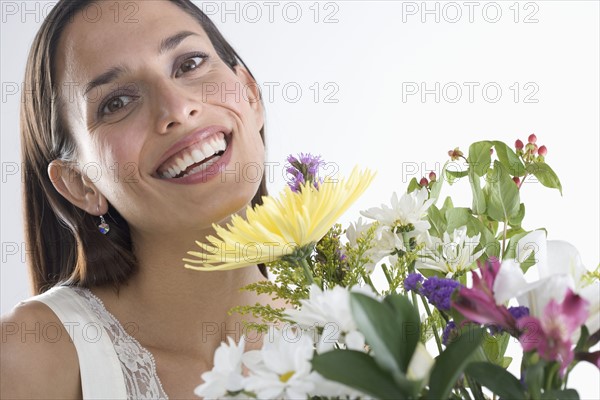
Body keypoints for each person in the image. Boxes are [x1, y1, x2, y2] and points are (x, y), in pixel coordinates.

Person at [0, 0, 282, 398]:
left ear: (250, 96)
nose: (178, 108)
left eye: (190, 63)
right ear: (80, 183)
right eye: (117, 102)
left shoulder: (359, 337)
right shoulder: (30, 355)